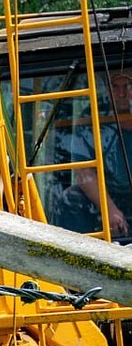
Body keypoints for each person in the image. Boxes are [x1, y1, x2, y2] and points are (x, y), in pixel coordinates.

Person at [53, 70, 132, 236]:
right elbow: (83, 172)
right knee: (69, 198)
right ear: (107, 90)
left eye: (128, 86)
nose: (122, 93)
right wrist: (109, 210)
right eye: (115, 87)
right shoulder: (93, 117)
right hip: (107, 195)